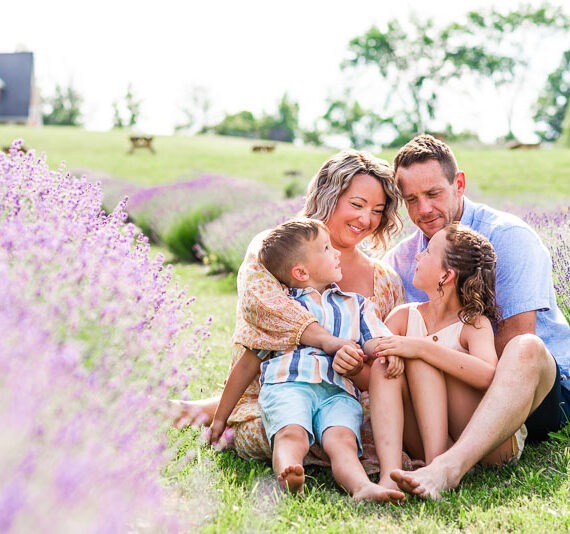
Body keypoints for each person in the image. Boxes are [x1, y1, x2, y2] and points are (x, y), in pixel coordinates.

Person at [172, 150, 410, 475]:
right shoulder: (275, 252)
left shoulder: (385, 280)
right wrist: (330, 342)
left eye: (378, 211)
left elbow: (384, 371)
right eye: (356, 205)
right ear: (328, 197)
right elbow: (269, 315)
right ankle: (213, 416)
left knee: (366, 430)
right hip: (278, 396)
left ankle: (199, 411)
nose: (366, 220)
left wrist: (354, 368)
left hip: (347, 405)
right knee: (282, 425)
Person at [381, 134, 570, 499]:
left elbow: (509, 345)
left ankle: (450, 468)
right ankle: (434, 456)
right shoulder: (405, 260)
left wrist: (427, 352)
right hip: (456, 396)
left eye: (433, 194)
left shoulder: (508, 237)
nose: (423, 210)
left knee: (524, 346)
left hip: (542, 390)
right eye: (411, 200)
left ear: (460, 184)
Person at [207, 218, 404, 501]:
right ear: (300, 272)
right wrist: (220, 418)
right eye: (326, 249)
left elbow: (373, 338)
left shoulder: (356, 304)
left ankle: (361, 487)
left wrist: (388, 351)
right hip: (289, 385)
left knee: (343, 441)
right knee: (291, 433)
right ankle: (290, 470)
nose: (336, 252)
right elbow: (248, 363)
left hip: (338, 392)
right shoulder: (284, 309)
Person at [337, 223, 526, 494]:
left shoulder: (473, 324)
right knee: (386, 362)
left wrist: (421, 348)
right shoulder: (404, 317)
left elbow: (486, 375)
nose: (417, 256)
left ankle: (437, 466)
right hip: (419, 433)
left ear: (446, 275)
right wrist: (354, 368)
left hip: (477, 438)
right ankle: (391, 474)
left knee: (418, 357)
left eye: (427, 252)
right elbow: (379, 381)